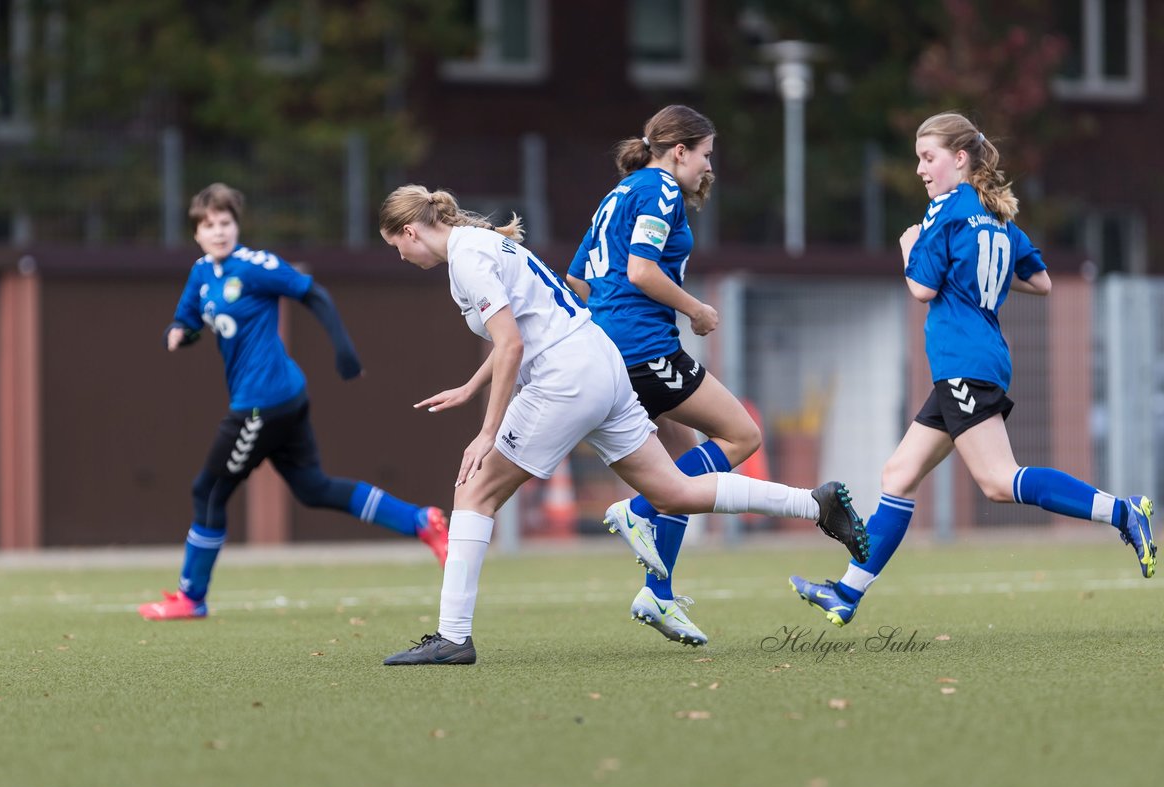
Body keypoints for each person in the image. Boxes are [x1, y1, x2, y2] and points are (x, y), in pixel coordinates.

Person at [376, 185, 868, 665]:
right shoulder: (481, 245)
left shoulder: (466, 258)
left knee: (473, 492)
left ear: (411, 230)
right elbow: (525, 325)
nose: (399, 256)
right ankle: (815, 503)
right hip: (600, 365)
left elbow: (511, 345)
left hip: (563, 378)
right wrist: (470, 387)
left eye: (395, 244)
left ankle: (452, 637)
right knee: (673, 490)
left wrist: (487, 431)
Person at [790, 112, 1156, 627]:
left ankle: (1122, 511)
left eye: (928, 157)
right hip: (976, 360)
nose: (920, 168)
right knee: (898, 475)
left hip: (964, 361)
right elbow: (1043, 281)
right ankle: (846, 594)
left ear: (959, 159)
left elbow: (921, 289)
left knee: (998, 481)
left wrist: (908, 248)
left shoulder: (946, 210)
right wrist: (979, 278)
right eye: (919, 158)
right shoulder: (995, 211)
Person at [565, 105, 870, 647]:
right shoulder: (660, 188)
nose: (709, 166)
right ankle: (636, 509)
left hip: (612, 349)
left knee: (682, 471)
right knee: (742, 435)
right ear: (678, 151)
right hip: (645, 348)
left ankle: (658, 593)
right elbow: (640, 270)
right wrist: (695, 310)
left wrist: (611, 323)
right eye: (705, 154)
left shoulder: (617, 193)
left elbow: (578, 276)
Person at [138, 183, 448, 620]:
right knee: (313, 488)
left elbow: (312, 292)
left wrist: (344, 349)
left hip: (263, 401)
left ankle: (191, 597)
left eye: (226, 223)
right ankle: (420, 521)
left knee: (207, 490)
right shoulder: (201, 273)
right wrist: (178, 333)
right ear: (197, 234)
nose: (219, 232)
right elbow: (187, 320)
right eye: (209, 226)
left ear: (236, 225)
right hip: (279, 398)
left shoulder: (255, 265)